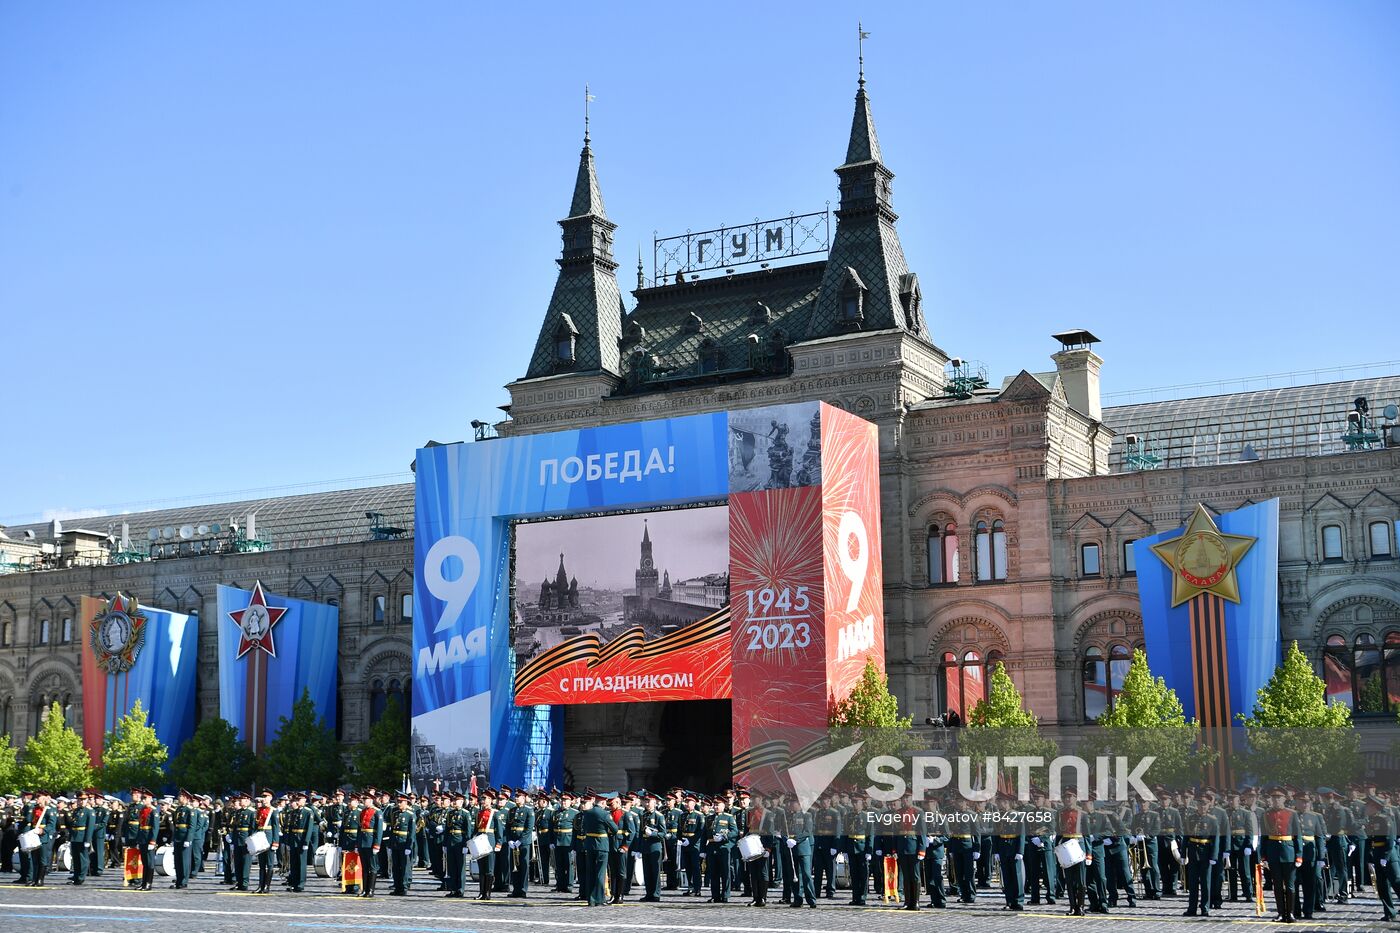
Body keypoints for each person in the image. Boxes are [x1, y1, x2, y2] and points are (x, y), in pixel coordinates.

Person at [1260, 786, 1301, 923]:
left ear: (1284, 798)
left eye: (1278, 797)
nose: (1276, 800)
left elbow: (1297, 835)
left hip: (1288, 851)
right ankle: (1280, 913)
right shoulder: (1266, 814)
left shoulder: (1292, 813)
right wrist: (1263, 856)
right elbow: (1263, 837)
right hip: (1273, 852)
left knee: (1290, 885)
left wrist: (1299, 854)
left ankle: (1290, 913)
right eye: (1274, 797)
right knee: (1277, 885)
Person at [1182, 792, 1220, 918]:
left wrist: (1214, 856)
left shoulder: (1212, 820)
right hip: (1193, 853)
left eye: (1204, 805)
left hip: (1206, 853)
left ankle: (1205, 908)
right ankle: (1191, 908)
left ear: (1208, 805)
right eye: (1199, 804)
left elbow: (1215, 840)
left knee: (1205, 883)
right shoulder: (1190, 818)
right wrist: (1183, 854)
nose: (1202, 807)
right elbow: (1186, 837)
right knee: (1192, 883)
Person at [577, 792, 615, 907]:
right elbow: (614, 829)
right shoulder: (604, 814)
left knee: (590, 872)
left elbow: (583, 827)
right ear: (603, 802)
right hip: (602, 845)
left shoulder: (587, 813)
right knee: (600, 873)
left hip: (589, 844)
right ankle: (599, 898)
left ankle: (591, 899)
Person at [784, 795, 816, 909]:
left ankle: (811, 899)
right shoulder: (787, 816)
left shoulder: (807, 815)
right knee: (794, 875)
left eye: (793, 803)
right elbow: (783, 830)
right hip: (791, 848)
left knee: (806, 875)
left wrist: (795, 840)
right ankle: (798, 899)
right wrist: (786, 839)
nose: (791, 805)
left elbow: (807, 831)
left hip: (803, 848)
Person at [635, 792, 666, 902]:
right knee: (647, 871)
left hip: (655, 847)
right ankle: (649, 893)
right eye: (645, 801)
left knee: (655, 871)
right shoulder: (643, 815)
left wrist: (652, 834)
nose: (647, 803)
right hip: (645, 846)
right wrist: (638, 849)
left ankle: (656, 894)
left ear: (654, 802)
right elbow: (640, 833)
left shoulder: (658, 816)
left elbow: (663, 833)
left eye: (649, 801)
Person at [283, 792, 312, 892]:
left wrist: (306, 842)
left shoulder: (308, 812)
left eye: (299, 800)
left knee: (301, 863)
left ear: (304, 801)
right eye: (297, 800)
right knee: (294, 863)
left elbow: (309, 829)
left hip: (301, 839)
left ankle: (301, 883)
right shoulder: (293, 812)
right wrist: (288, 841)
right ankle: (294, 883)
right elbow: (290, 828)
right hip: (294, 840)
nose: (297, 801)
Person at [356, 790, 383, 898]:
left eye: (365, 800)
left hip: (371, 842)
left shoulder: (377, 812)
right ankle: (364, 890)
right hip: (363, 842)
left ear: (371, 800)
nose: (364, 802)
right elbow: (360, 829)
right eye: (363, 800)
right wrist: (357, 844)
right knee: (364, 867)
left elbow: (379, 830)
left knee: (373, 867)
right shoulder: (362, 812)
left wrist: (377, 845)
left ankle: (371, 890)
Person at [64, 790, 94, 886]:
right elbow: (73, 825)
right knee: (76, 858)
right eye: (80, 799)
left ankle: (81, 877)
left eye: (84, 799)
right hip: (75, 837)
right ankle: (76, 877)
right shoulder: (76, 811)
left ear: (87, 800)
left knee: (83, 859)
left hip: (82, 837)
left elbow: (90, 827)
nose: (81, 801)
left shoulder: (90, 812)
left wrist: (87, 840)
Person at [389, 792, 416, 895]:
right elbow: (392, 828)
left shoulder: (410, 815)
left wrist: (409, 846)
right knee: (395, 866)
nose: (399, 803)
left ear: (406, 802)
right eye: (398, 801)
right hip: (395, 842)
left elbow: (412, 832)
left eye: (401, 802)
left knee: (404, 866)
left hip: (404, 843)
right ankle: (397, 886)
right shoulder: (394, 812)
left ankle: (404, 886)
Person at [678, 793, 704, 896]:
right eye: (686, 802)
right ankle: (690, 886)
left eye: (689, 802)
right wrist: (679, 839)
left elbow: (700, 832)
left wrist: (691, 841)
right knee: (687, 867)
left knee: (695, 867)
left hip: (694, 844)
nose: (687, 804)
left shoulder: (699, 815)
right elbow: (679, 829)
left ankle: (697, 889)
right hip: (684, 844)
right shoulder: (682, 815)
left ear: (694, 803)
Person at [170, 790, 194, 889]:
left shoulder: (190, 810)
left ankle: (184, 881)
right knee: (178, 860)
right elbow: (176, 824)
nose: (179, 798)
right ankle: (178, 880)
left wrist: (188, 839)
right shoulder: (178, 809)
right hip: (178, 836)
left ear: (186, 798)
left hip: (184, 837)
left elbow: (191, 826)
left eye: (181, 796)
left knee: (184, 860)